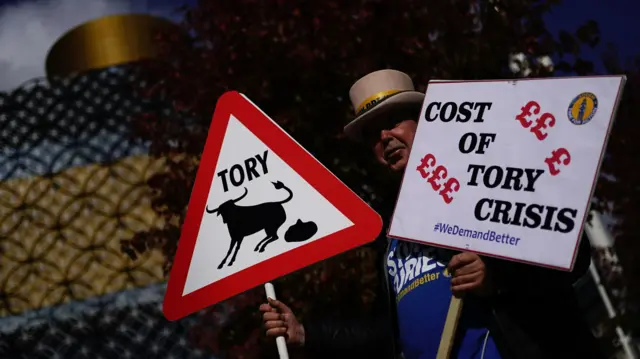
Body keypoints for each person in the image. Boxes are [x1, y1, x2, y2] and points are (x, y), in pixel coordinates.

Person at [259, 69, 602, 359]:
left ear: (425, 121)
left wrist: (496, 275)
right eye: (372, 135)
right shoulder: (393, 231)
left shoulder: (486, 177)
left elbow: (573, 250)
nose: (384, 137)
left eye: (393, 120)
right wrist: (307, 333)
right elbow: (388, 330)